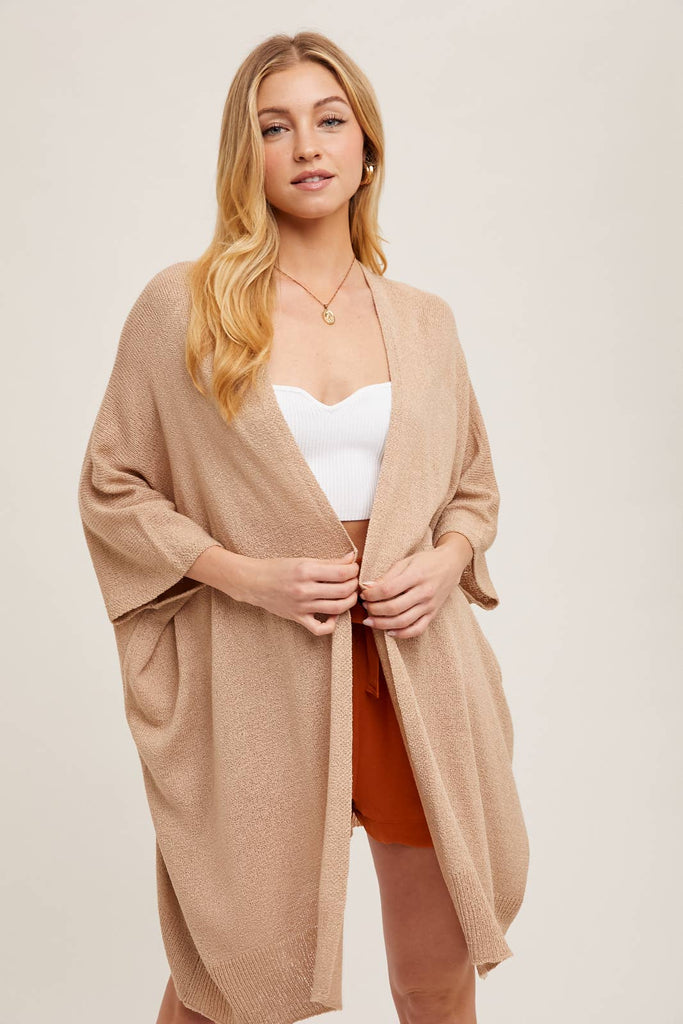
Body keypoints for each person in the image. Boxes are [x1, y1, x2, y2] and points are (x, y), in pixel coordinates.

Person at [79, 30, 528, 1024]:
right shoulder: (183, 307)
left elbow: (471, 485)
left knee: (435, 976)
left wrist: (446, 559)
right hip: (259, 669)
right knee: (233, 981)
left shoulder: (424, 321)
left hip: (415, 670)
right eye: (274, 127)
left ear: (366, 145)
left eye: (329, 120)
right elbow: (113, 485)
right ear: (245, 154)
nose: (306, 145)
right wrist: (243, 575)